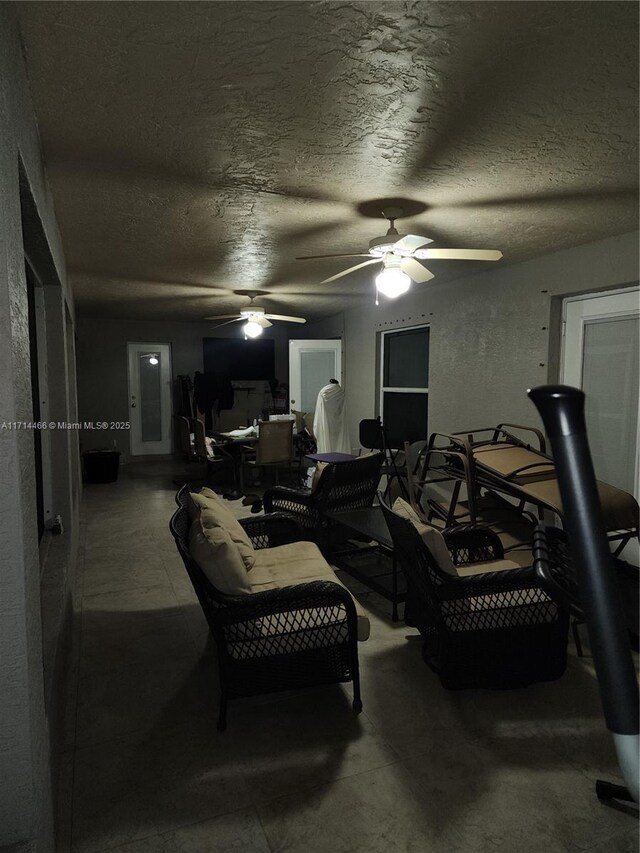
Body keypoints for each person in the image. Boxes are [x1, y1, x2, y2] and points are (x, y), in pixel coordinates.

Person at [313, 380, 350, 453]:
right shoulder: (341, 392)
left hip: (326, 423)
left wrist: (316, 429)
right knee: (339, 444)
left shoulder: (323, 392)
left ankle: (327, 462)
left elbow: (319, 411)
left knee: (326, 444)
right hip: (339, 424)